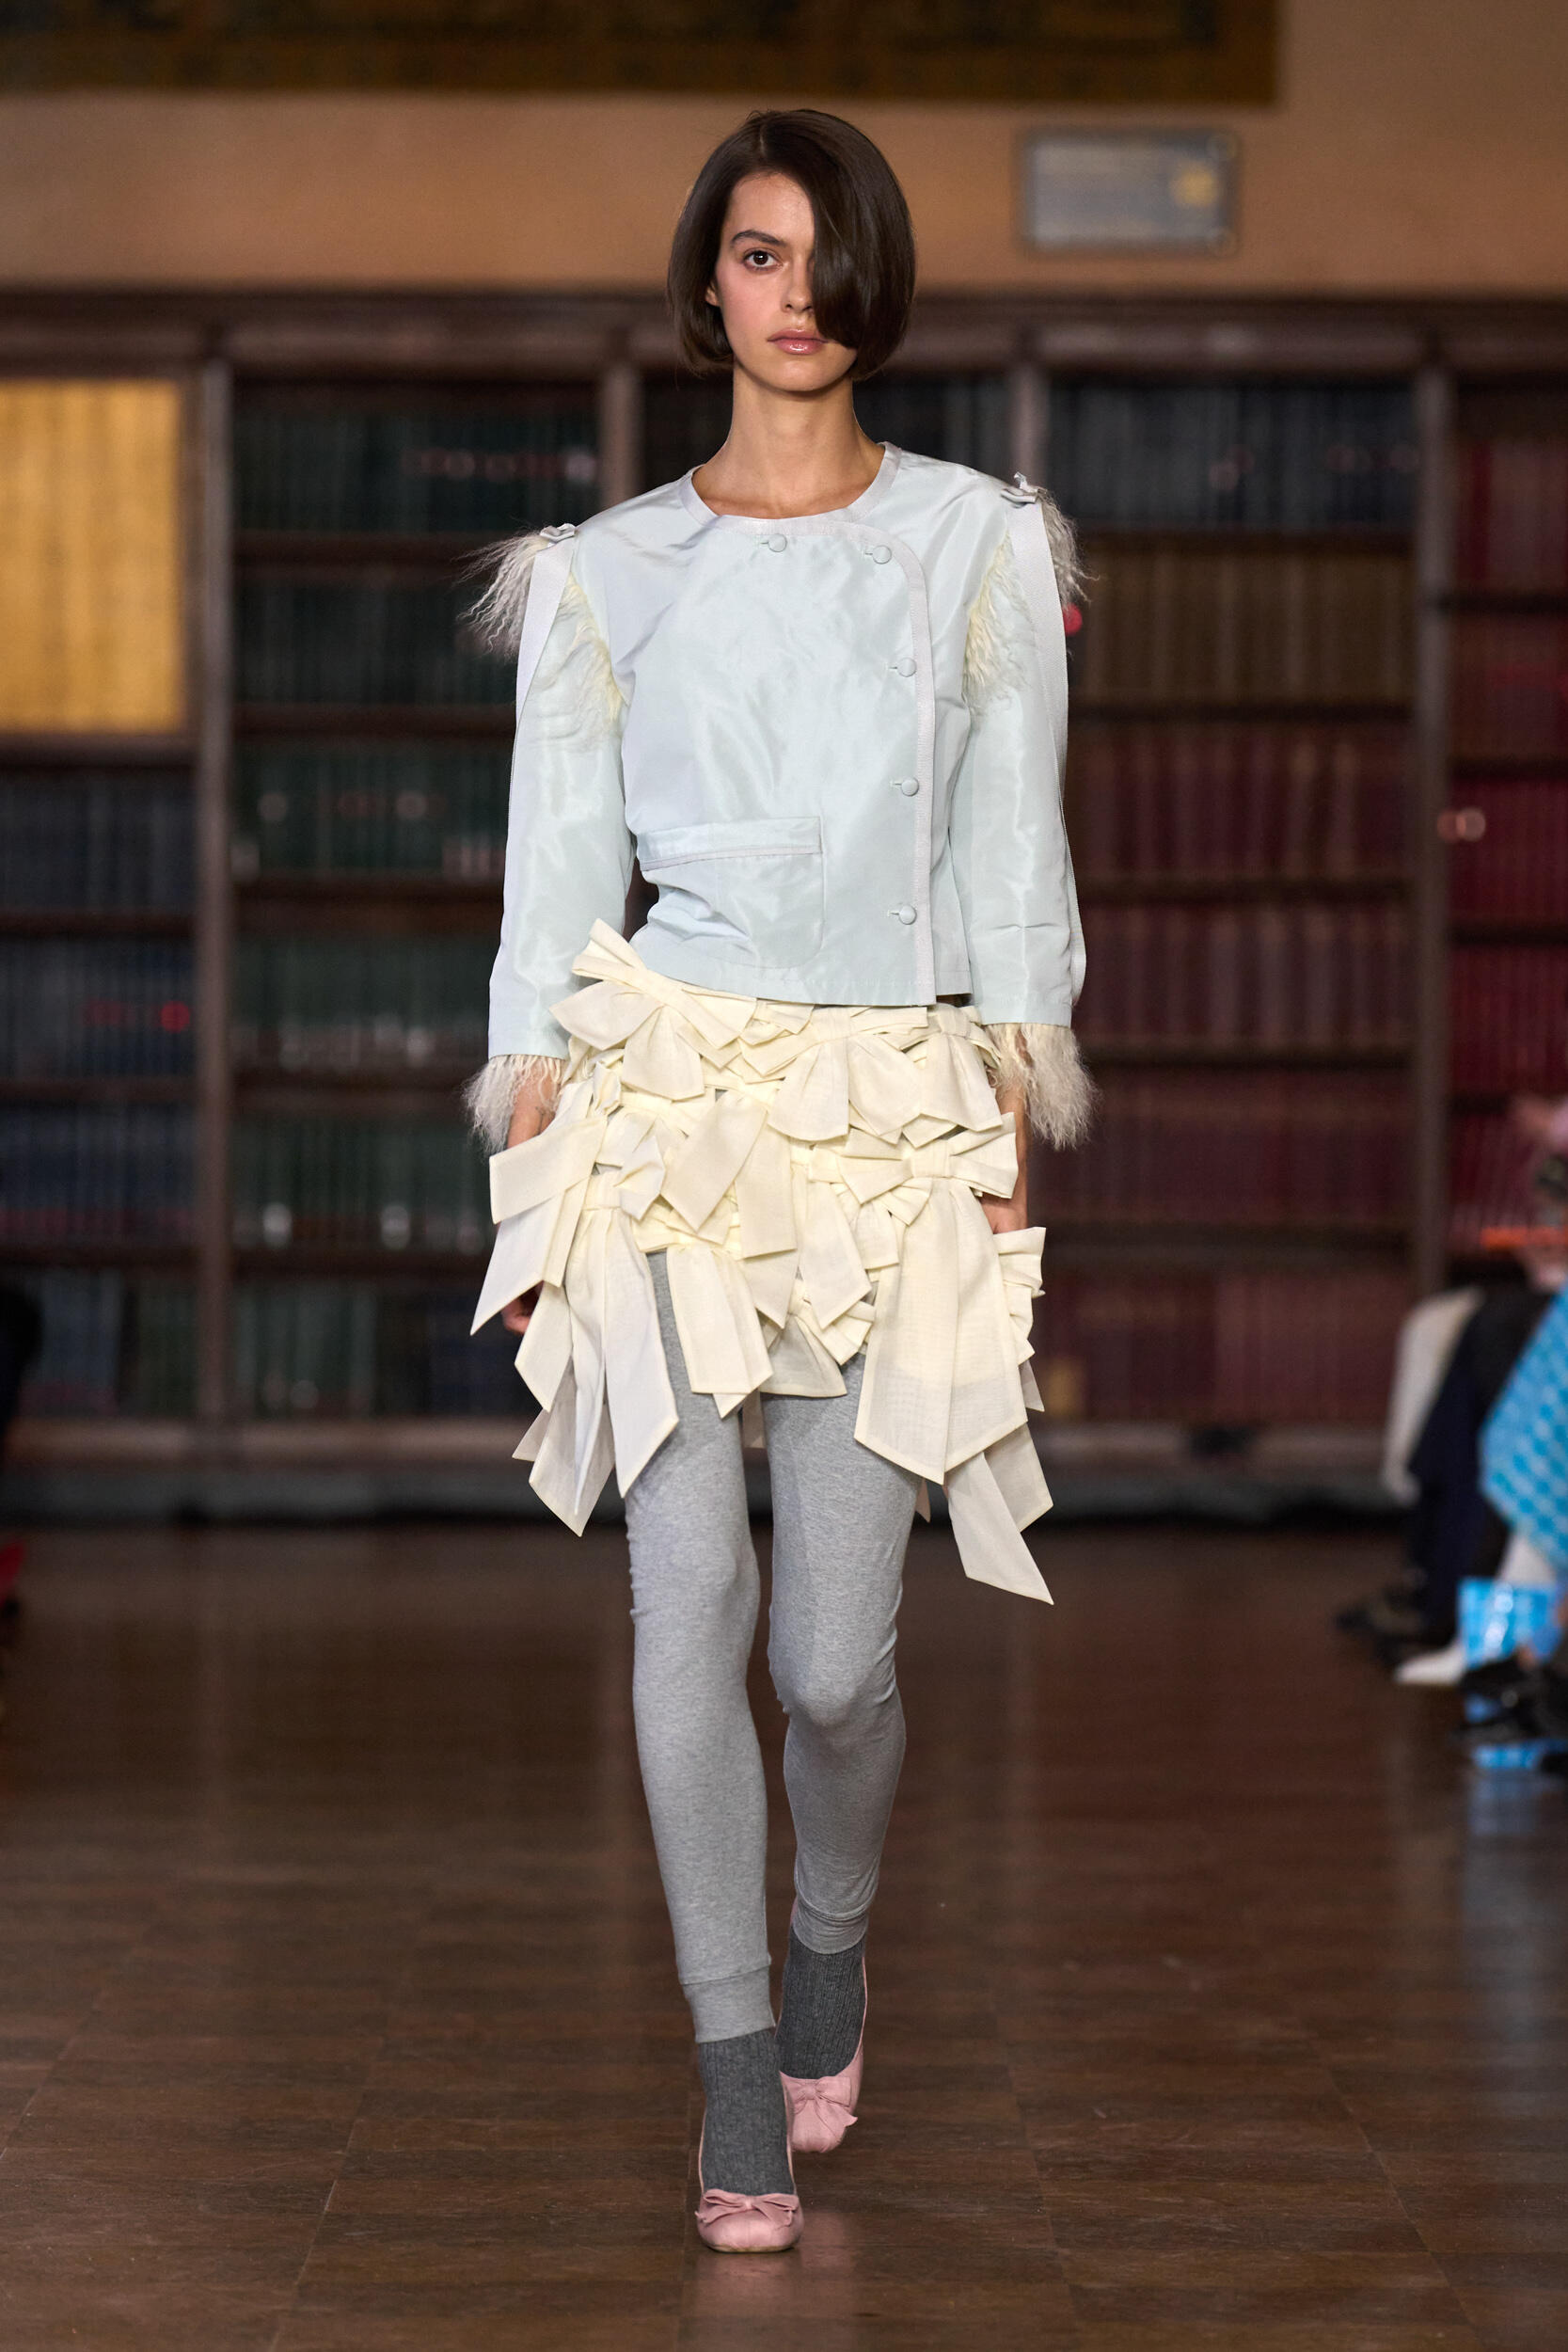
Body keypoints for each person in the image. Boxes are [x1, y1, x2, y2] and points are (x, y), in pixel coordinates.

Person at [465, 110, 1089, 2254]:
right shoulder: (604, 573)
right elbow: (554, 901)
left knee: (831, 1657)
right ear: (706, 283)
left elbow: (1012, 860)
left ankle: (831, 1932)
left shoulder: (976, 547)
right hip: (661, 1109)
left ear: (876, 279)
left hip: (894, 1110)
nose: (792, 290)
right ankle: (735, 2072)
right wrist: (532, 1190)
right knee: (689, 1603)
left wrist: (1010, 1137)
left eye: (825, 253)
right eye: (754, 251)